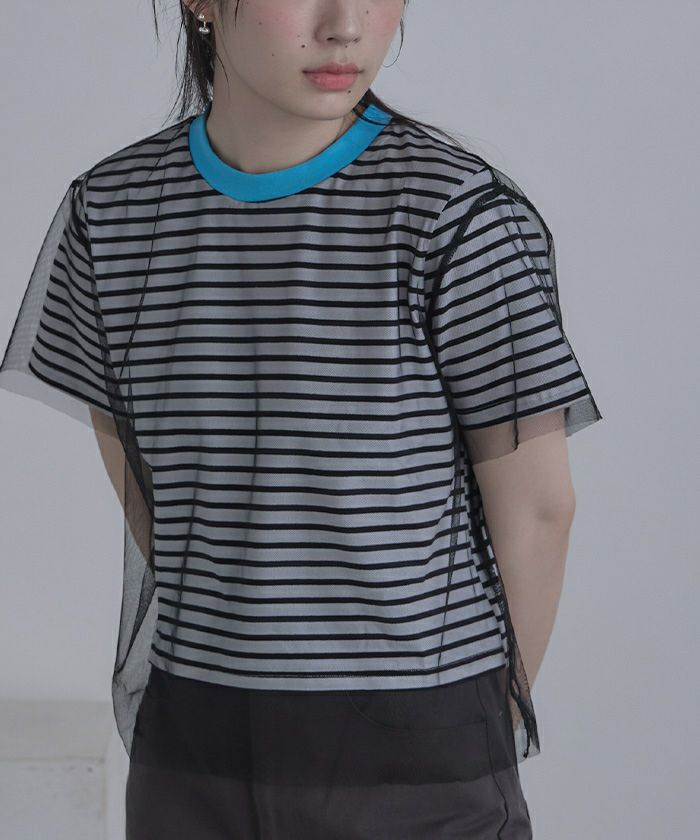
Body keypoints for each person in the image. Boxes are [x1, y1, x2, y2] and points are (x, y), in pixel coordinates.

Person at [0, 1, 603, 837]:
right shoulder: (109, 210)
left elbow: (539, 510)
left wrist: (471, 733)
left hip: (414, 752)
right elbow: (149, 491)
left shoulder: (453, 213)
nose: (346, 24)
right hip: (195, 748)